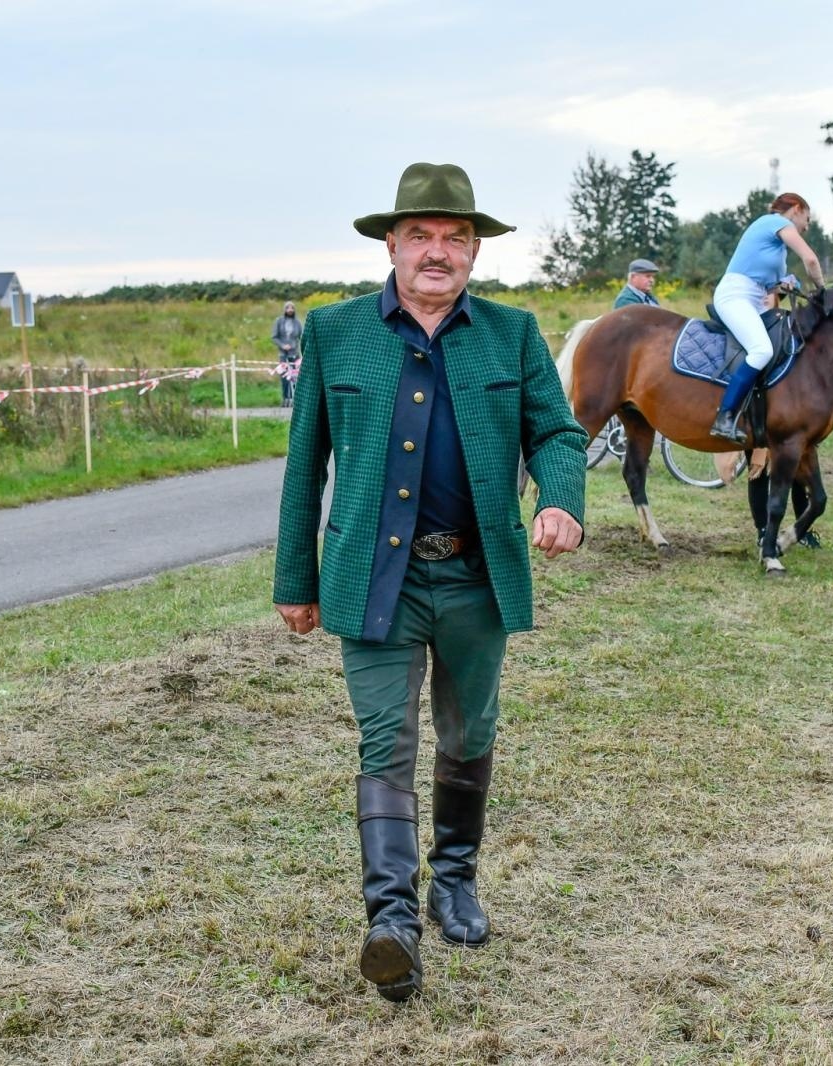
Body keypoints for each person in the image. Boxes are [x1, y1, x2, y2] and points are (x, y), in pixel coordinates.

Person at [273, 162, 586, 1003]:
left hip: (477, 577)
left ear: (475, 251)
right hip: (375, 580)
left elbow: (557, 433)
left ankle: (454, 884)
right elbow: (306, 466)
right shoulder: (336, 333)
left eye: (454, 238)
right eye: (421, 237)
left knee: (467, 733)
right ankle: (391, 921)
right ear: (392, 245)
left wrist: (562, 499)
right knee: (386, 743)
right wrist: (294, 579)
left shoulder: (512, 334)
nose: (437, 253)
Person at [709, 193, 826, 444]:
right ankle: (724, 417)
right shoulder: (773, 222)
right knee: (761, 350)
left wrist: (784, 285)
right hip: (735, 295)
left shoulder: (777, 247)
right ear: (796, 209)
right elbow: (811, 259)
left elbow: (770, 287)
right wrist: (822, 289)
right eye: (807, 218)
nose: (807, 226)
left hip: (754, 300)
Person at [271, 300, 303, 406]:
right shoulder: (279, 321)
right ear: (284, 310)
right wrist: (283, 345)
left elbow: (302, 337)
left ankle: (295, 400)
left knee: (294, 377)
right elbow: (274, 337)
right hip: (283, 354)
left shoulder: (297, 323)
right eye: (288, 308)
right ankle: (285, 399)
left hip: (294, 354)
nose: (290, 310)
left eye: (292, 308)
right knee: (285, 377)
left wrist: (296, 347)